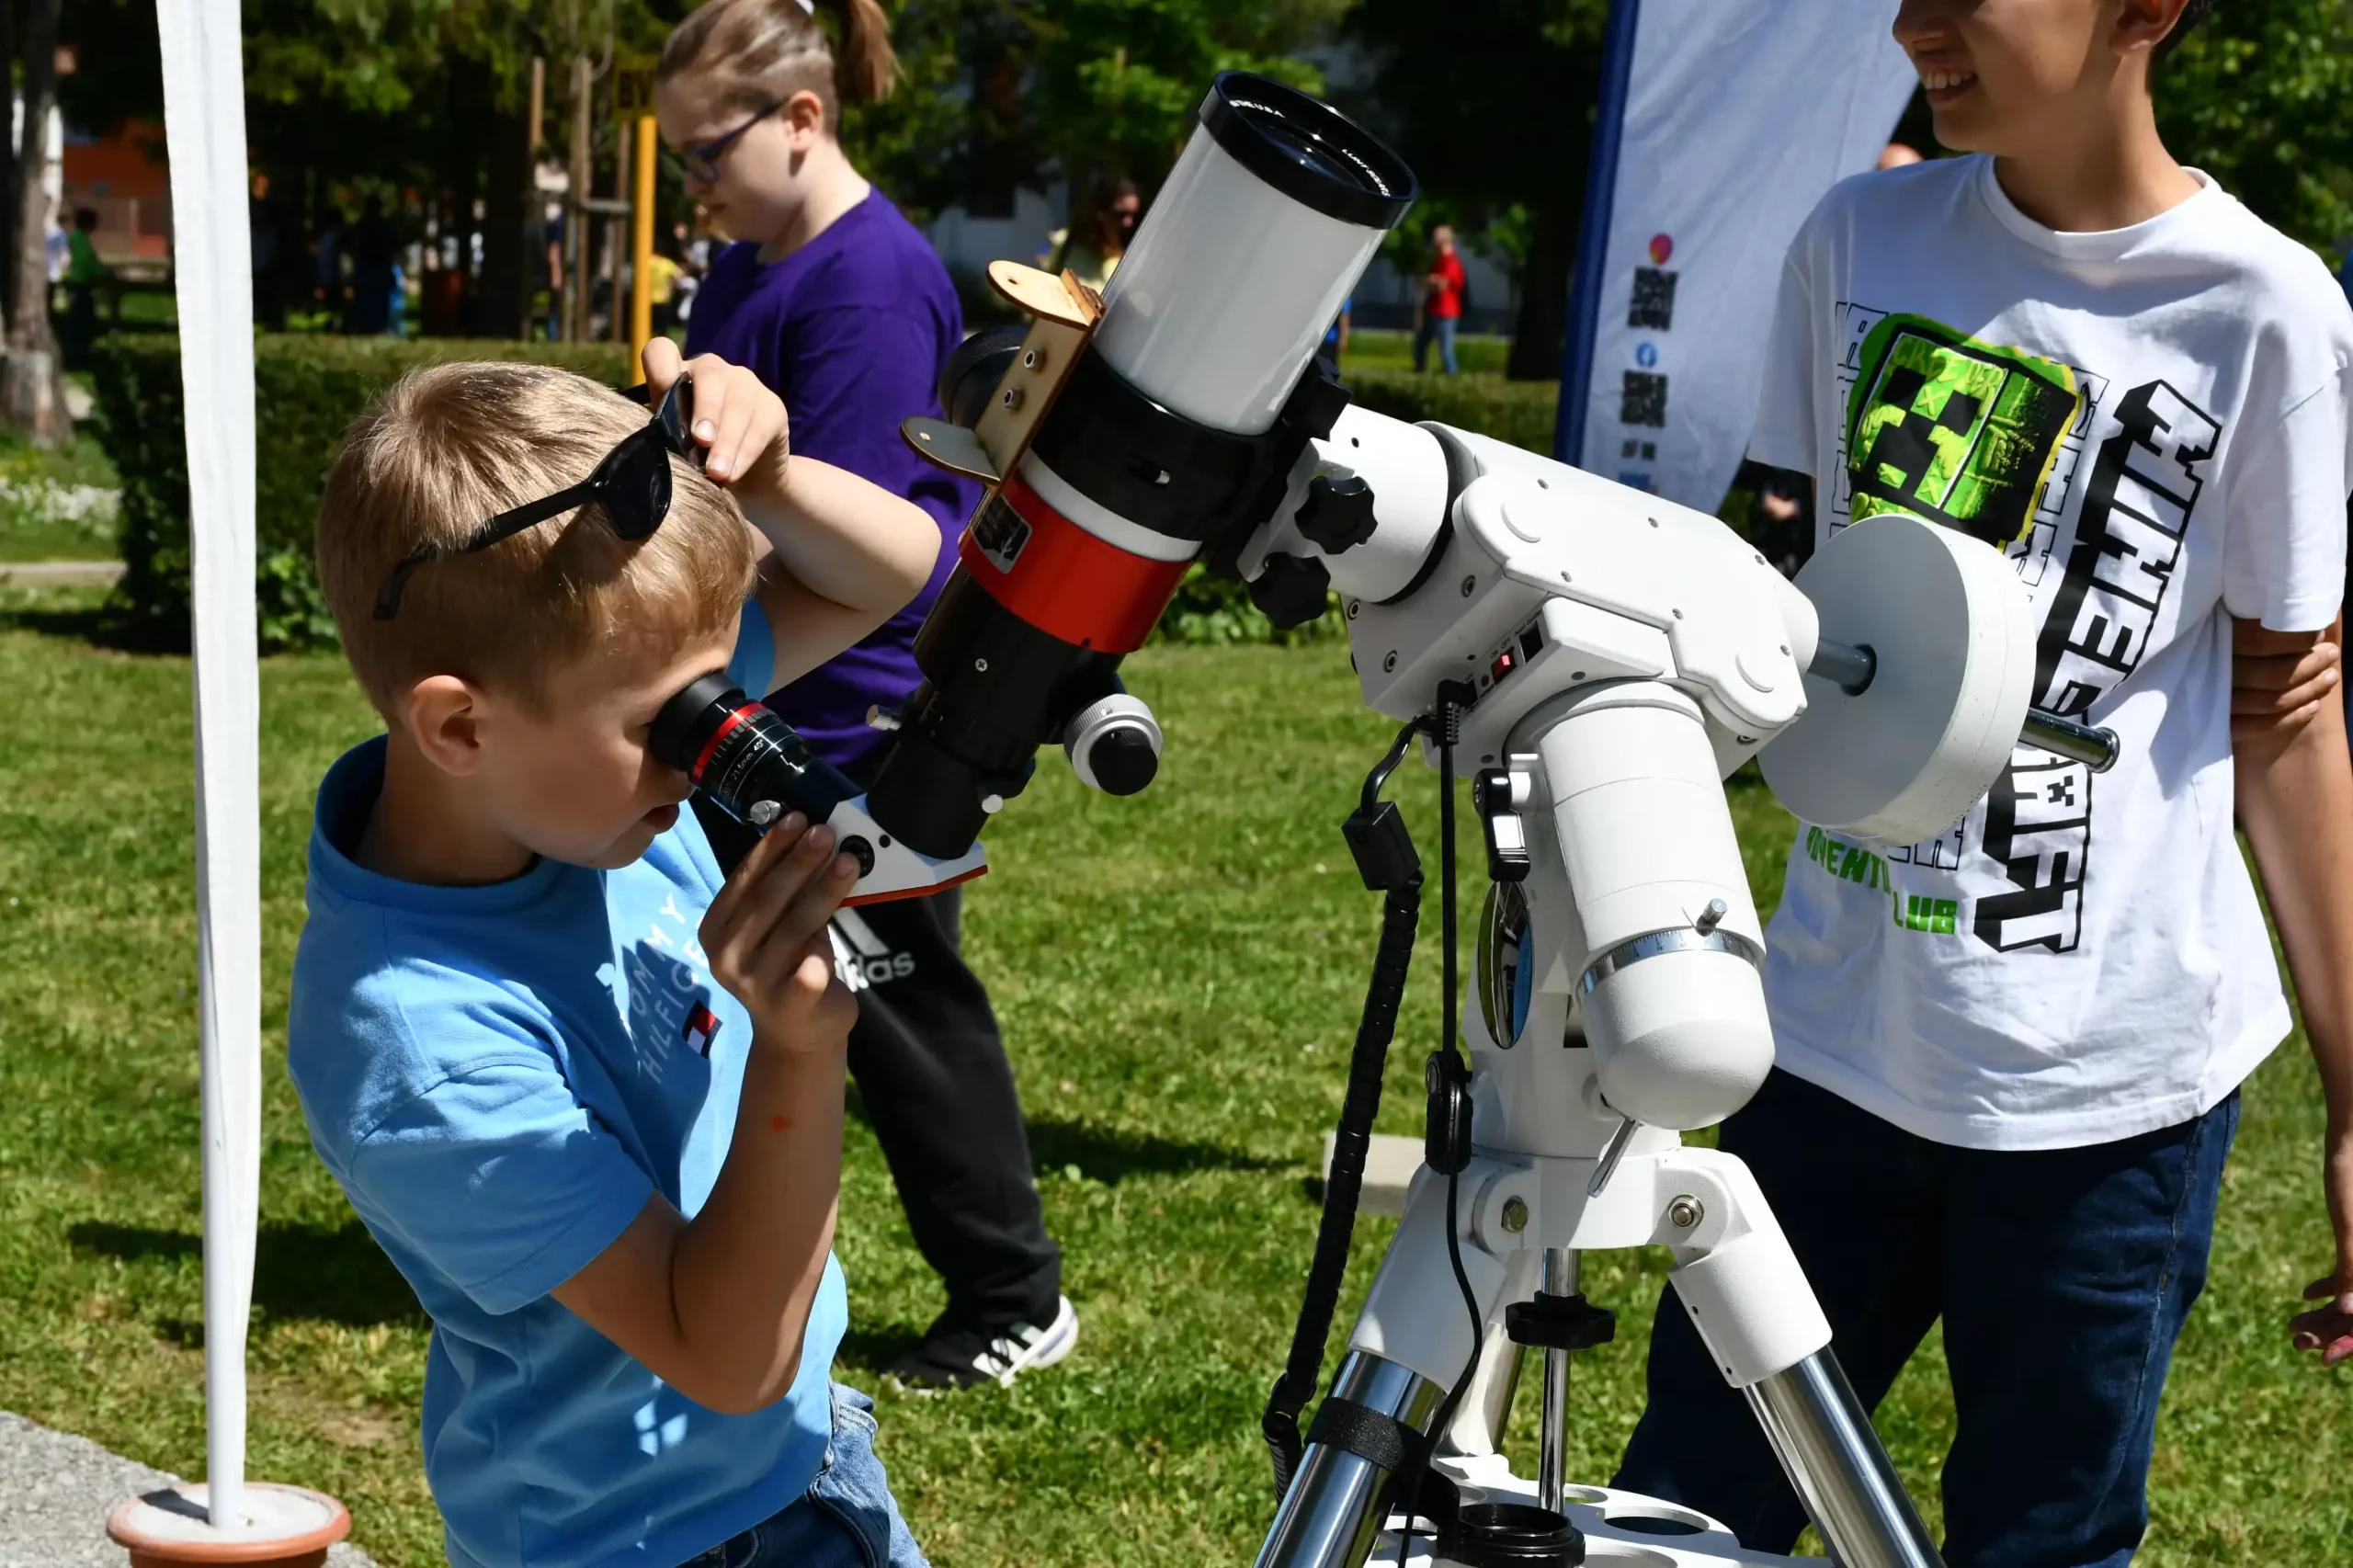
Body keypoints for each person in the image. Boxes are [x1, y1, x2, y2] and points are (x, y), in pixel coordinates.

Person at [1614, 3, 2353, 1565]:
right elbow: (1800, 606)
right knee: (1690, 1513)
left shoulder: (2269, 310)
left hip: (2109, 1097)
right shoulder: (1856, 237)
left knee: (2041, 1538)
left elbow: (2291, 712)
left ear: (2143, 12)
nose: (1913, 26)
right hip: (1826, 1041)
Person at [289, 343, 943, 1568]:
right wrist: (798, 1054)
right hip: (647, 1536)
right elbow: (729, 1355)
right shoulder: (419, 1042)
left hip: (797, 1455)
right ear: (460, 723)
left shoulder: (585, 769)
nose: (715, 749)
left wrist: (776, 478)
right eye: (673, 723)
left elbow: (894, 572)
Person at [656, 0, 1075, 1392]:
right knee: (790, 994)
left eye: (706, 154)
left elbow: (857, 537)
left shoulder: (872, 283)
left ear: (801, 120)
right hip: (763, 698)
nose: (697, 190)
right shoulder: (748, 265)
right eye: (678, 164)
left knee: (896, 1004)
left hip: (860, 717)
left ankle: (1014, 1293)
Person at [1045, 175, 1141, 294]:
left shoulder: (1124, 262)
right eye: (1120, 214)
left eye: (1133, 216)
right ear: (1101, 212)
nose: (1128, 223)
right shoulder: (1065, 243)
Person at [1413, 224, 1464, 375]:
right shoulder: (1437, 261)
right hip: (1433, 309)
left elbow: (1442, 285)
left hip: (1447, 312)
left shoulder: (1452, 262)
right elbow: (1426, 282)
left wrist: (1432, 281)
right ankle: (1419, 371)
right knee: (1421, 343)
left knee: (1446, 350)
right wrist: (1432, 280)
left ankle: (1451, 376)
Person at [61, 208, 106, 369]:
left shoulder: (80, 238)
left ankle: (78, 351)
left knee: (81, 317)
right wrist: (102, 272)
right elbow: (86, 261)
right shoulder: (79, 239)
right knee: (81, 319)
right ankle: (78, 353)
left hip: (81, 282)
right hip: (81, 283)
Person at [1317, 296, 1351, 379]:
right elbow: (1344, 315)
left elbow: (1344, 315)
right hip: (1328, 339)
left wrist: (1343, 338)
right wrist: (1343, 338)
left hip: (1326, 339)